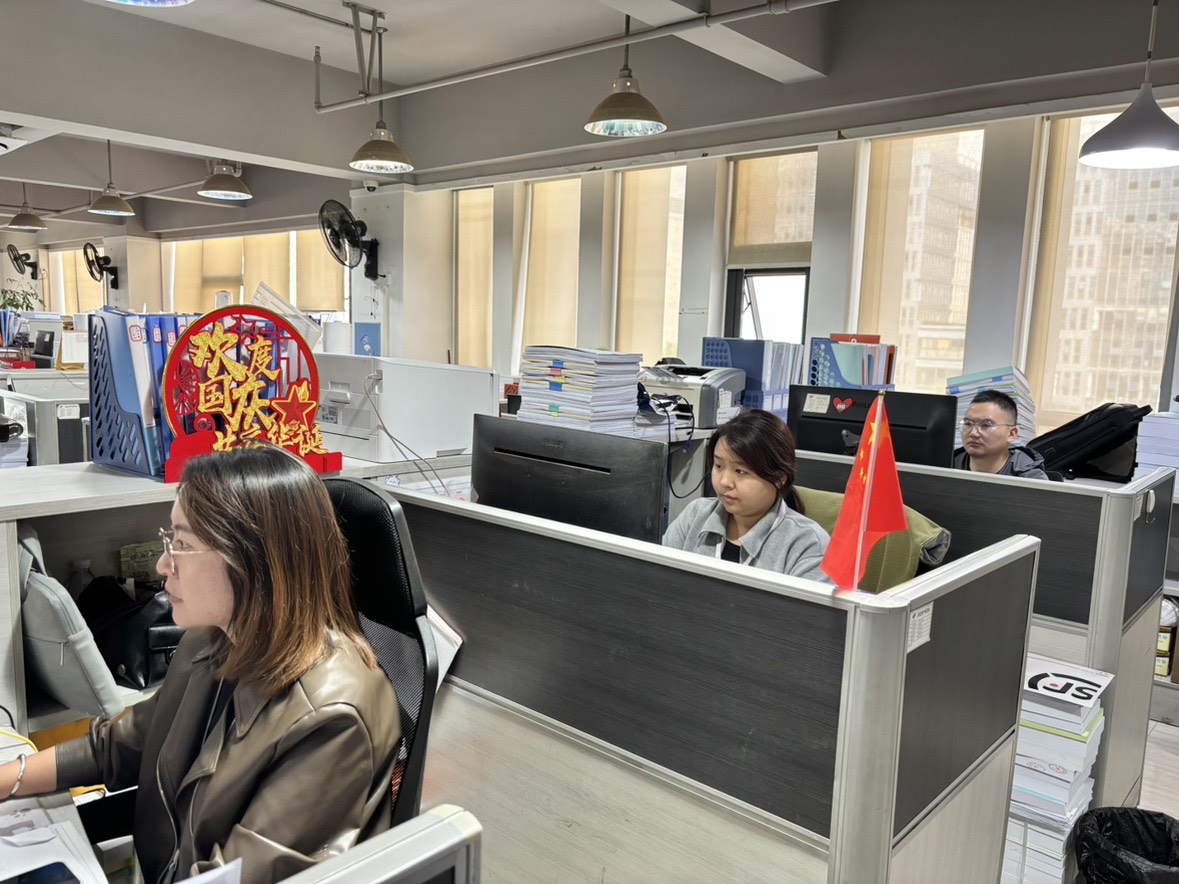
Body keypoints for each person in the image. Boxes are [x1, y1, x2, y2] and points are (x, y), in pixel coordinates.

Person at [0, 445, 402, 883]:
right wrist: (9, 778)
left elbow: (236, 876)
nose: (162, 564)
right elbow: (122, 744)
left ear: (252, 561)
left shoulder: (332, 716)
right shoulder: (214, 638)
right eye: (168, 540)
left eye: (182, 544)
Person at [663, 409, 831, 581]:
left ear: (779, 478)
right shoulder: (695, 515)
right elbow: (659, 583)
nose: (725, 482)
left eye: (740, 471)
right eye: (719, 466)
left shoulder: (809, 544)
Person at [951, 389, 1049, 480]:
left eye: (986, 425)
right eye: (968, 423)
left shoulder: (1031, 480)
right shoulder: (948, 466)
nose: (973, 433)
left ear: (1011, 434)